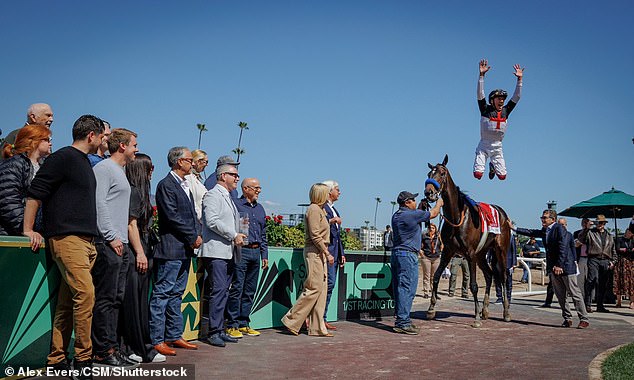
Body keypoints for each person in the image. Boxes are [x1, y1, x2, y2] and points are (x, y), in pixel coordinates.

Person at [23, 115, 106, 376]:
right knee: (86, 295)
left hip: (85, 241)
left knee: (68, 302)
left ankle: (57, 358)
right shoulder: (63, 157)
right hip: (67, 239)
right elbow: (36, 192)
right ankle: (83, 359)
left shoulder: (82, 162)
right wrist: (28, 229)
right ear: (91, 135)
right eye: (102, 135)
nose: (105, 139)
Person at [91, 128, 138, 367]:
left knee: (117, 298)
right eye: (133, 145)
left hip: (122, 243)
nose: (135, 149)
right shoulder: (103, 169)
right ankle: (101, 350)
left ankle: (111, 346)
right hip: (109, 243)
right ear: (122, 146)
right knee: (106, 298)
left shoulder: (119, 171)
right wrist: (111, 236)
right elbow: (99, 204)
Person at [149, 147, 202, 357]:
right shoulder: (166, 185)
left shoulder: (185, 185)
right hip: (171, 248)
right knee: (162, 293)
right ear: (179, 162)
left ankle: (174, 334)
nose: (192, 163)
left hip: (184, 249)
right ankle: (156, 339)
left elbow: (192, 215)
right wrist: (192, 236)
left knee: (176, 294)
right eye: (190, 160)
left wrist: (196, 235)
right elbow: (171, 216)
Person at [120, 153, 165, 363]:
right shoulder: (134, 192)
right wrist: (139, 252)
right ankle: (133, 347)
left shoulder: (140, 193)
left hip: (143, 249)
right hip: (136, 251)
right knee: (133, 303)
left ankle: (141, 346)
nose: (152, 172)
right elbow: (131, 224)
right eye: (149, 167)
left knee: (140, 302)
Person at [512, 210, 589, 329]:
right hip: (553, 267)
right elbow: (532, 232)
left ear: (552, 219)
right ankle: (567, 318)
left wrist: (559, 265)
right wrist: (514, 228)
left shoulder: (559, 229)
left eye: (545, 218)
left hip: (565, 266)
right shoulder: (545, 230)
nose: (542, 220)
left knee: (574, 293)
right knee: (560, 294)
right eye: (541, 217)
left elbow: (562, 248)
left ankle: (583, 318)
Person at [199, 163, 246, 347]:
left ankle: (219, 328)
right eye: (234, 175)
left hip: (229, 252)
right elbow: (211, 220)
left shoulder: (228, 197)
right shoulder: (212, 194)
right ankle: (213, 331)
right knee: (218, 291)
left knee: (224, 291)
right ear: (223, 175)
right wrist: (233, 235)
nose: (237, 178)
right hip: (217, 251)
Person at [281, 183, 335, 337]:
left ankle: (317, 327)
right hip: (315, 252)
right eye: (326, 192)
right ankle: (291, 320)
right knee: (314, 287)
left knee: (321, 289)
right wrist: (327, 252)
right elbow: (315, 235)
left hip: (320, 252)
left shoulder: (319, 210)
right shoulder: (313, 210)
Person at [390, 191, 443, 334]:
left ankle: (402, 318)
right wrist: (439, 203)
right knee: (407, 289)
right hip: (407, 256)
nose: (415, 202)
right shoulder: (411, 215)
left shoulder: (397, 215)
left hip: (397, 254)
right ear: (407, 202)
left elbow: (417, 217)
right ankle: (402, 322)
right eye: (413, 200)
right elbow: (433, 214)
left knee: (400, 288)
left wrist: (421, 206)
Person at [225, 177, 268, 339]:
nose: (259, 190)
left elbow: (263, 233)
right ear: (245, 189)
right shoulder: (236, 205)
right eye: (256, 188)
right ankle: (232, 324)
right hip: (241, 250)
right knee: (237, 288)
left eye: (259, 188)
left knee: (250, 290)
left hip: (256, 252)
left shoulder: (260, 208)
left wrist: (264, 254)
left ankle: (244, 323)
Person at [473, 59, 523, 180]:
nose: (501, 101)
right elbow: (480, 94)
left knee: (502, 176)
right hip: (484, 146)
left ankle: (493, 166)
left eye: (502, 99)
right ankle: (488, 164)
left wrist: (519, 80)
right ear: (492, 100)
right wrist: (481, 76)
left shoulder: (506, 111)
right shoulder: (485, 109)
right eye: (498, 98)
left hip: (497, 147)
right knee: (478, 174)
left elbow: (516, 97)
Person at [0, 124, 52, 235]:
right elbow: (8, 201)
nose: (50, 143)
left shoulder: (44, 166)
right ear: (33, 141)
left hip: (36, 233)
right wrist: (27, 228)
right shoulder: (14, 164)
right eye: (47, 139)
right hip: (12, 235)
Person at [578, 215, 617, 313]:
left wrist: (613, 261)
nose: (599, 224)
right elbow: (581, 239)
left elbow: (613, 250)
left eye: (601, 223)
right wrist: (587, 228)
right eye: (597, 222)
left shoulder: (609, 236)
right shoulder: (590, 233)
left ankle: (600, 305)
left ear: (604, 224)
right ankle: (588, 305)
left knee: (603, 284)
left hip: (606, 260)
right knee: (591, 281)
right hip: (593, 259)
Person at [321, 180, 345, 331]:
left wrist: (341, 253)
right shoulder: (322, 208)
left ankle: (323, 318)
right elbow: (318, 225)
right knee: (326, 285)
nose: (340, 192)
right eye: (337, 189)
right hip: (327, 253)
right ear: (329, 191)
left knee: (330, 286)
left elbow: (338, 236)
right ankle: (317, 318)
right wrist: (331, 221)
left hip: (335, 253)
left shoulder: (334, 209)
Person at [185, 149, 209, 221]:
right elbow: (191, 200)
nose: (207, 165)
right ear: (198, 162)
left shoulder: (196, 179)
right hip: (197, 220)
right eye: (205, 162)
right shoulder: (188, 178)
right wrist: (201, 218)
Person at [420, 223, 442, 299]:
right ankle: (426, 292)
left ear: (435, 229)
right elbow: (419, 245)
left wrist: (440, 252)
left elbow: (442, 245)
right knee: (427, 276)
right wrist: (421, 253)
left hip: (436, 258)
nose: (431, 229)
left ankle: (434, 292)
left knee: (434, 276)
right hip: (426, 257)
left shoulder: (438, 237)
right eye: (430, 228)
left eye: (433, 228)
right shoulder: (424, 236)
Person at [614, 228, 634, 309]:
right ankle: (618, 301)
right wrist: (629, 250)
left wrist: (626, 250)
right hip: (621, 262)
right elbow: (618, 249)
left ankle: (632, 301)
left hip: (631, 262)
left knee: (631, 282)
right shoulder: (620, 239)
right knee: (619, 280)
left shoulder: (633, 241)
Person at [574, 218, 592, 302]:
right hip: (580, 258)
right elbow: (573, 245)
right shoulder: (577, 233)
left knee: (590, 279)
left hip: (590, 258)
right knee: (580, 279)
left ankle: (590, 297)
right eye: (583, 222)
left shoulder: (593, 233)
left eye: (586, 222)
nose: (585, 224)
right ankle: (581, 296)